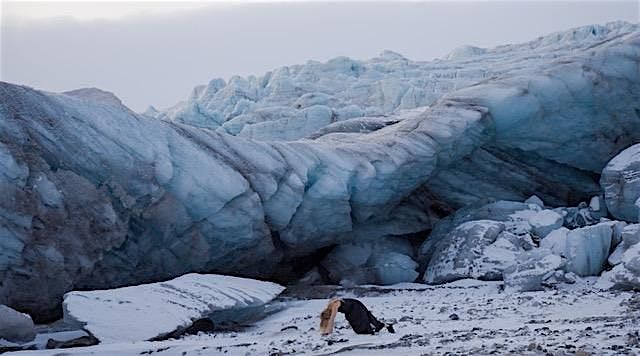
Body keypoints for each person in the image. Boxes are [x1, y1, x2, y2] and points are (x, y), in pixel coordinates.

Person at [319, 298, 395, 335]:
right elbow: (327, 320)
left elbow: (332, 319)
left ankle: (372, 329)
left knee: (361, 323)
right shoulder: (329, 305)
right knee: (367, 316)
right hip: (352, 308)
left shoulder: (334, 306)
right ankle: (387, 325)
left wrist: (328, 332)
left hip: (355, 307)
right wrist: (325, 330)